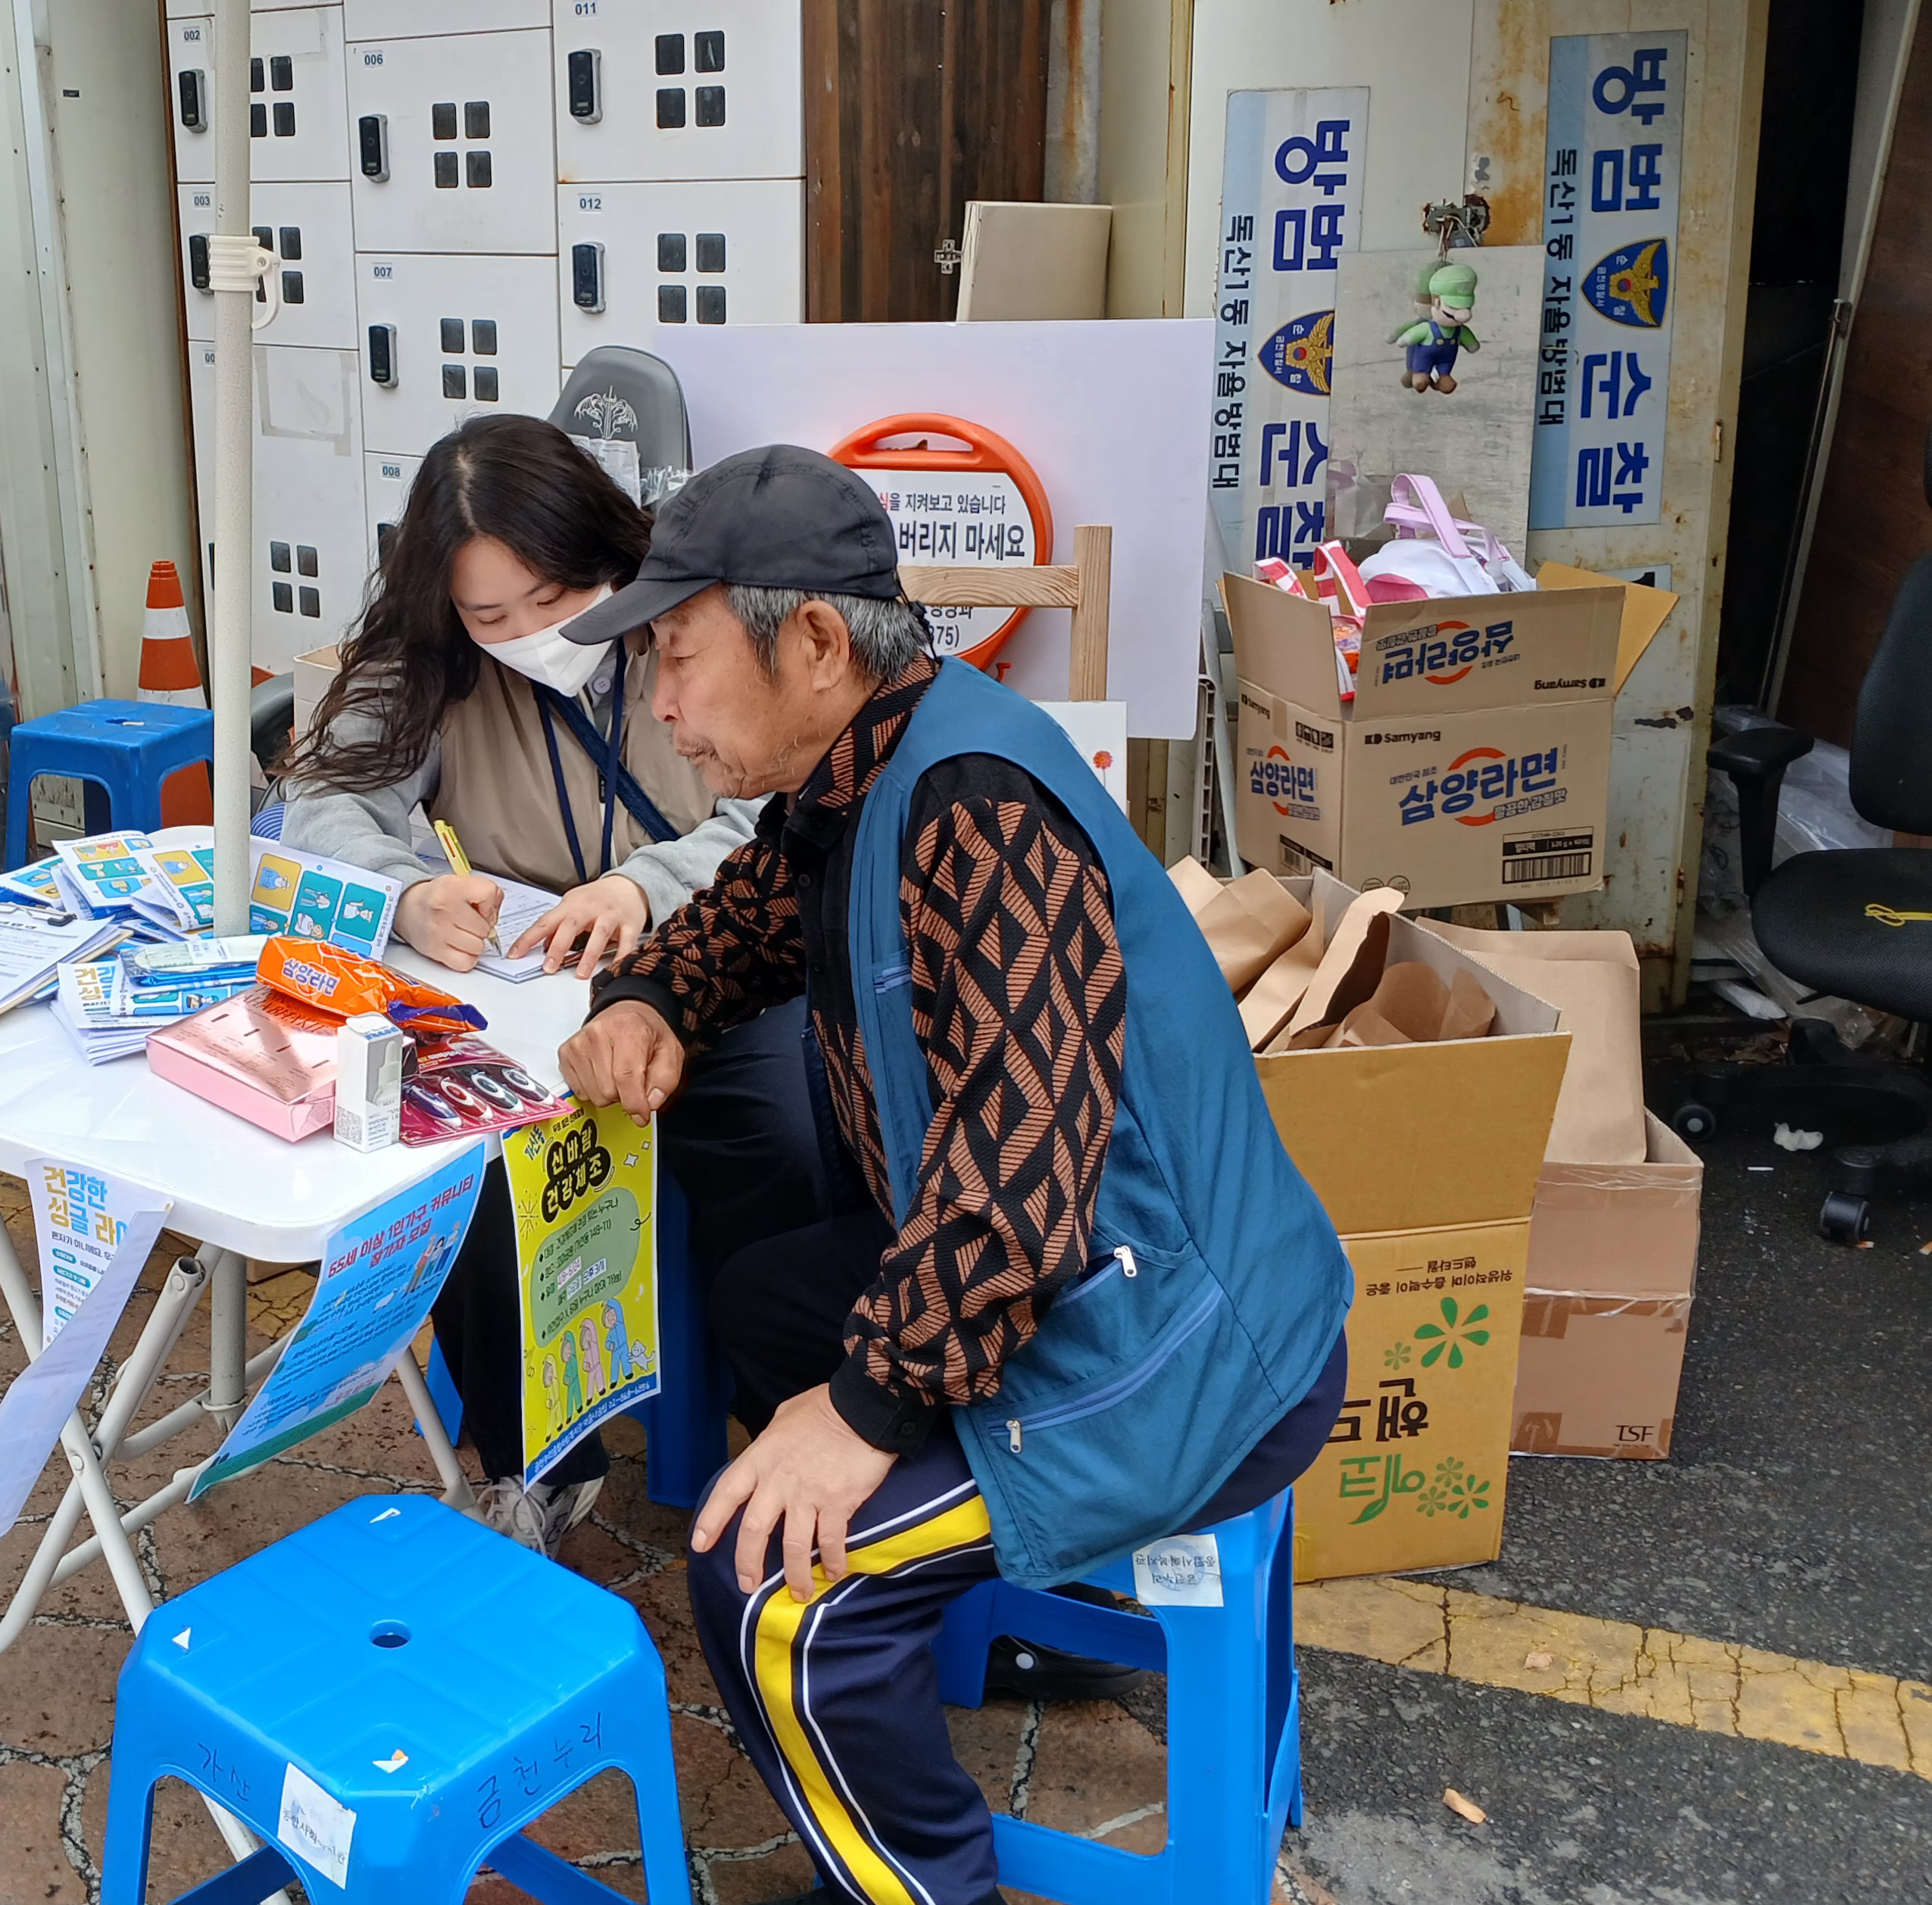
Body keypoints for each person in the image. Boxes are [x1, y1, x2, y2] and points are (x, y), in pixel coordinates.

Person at [555, 446, 1353, 1905]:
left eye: (678, 657)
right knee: (767, 1300)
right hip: (1082, 1279)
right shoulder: (861, 768)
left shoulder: (974, 809)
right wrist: (652, 995)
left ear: (810, 642)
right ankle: (904, 1635)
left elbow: (1017, 1180)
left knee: (766, 1592)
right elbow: (750, 912)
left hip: (1175, 1346)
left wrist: (866, 1408)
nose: (661, 705)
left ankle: (919, 1862)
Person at [279, 415, 826, 1557]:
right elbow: (322, 808)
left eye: (559, 595)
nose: (535, 634)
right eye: (492, 617)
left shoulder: (694, 627)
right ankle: (535, 1464)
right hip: (524, 994)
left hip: (723, 969)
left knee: (779, 1134)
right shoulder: (422, 667)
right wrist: (405, 896)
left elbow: (775, 811)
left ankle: (792, 1423)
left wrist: (645, 886)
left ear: (610, 554)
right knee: (465, 1159)